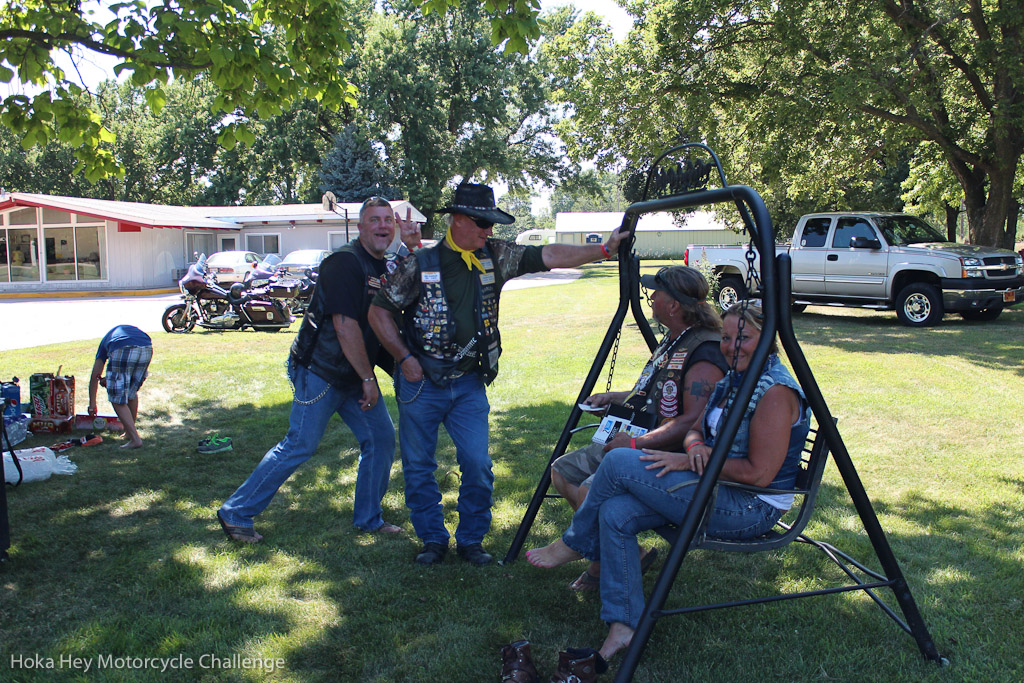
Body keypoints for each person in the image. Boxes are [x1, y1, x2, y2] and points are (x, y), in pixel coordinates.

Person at [526, 302, 811, 660]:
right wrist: (693, 449)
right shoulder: (733, 378)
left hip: (750, 504)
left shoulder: (774, 392)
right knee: (614, 512)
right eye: (725, 337)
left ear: (768, 340)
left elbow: (759, 474)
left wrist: (699, 462)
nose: (730, 346)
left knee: (616, 462)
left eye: (744, 338)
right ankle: (624, 625)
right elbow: (694, 430)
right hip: (713, 486)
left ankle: (576, 541)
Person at [368, 182, 626, 566]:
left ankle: (471, 539)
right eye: (481, 223)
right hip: (420, 384)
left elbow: (548, 254)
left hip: (469, 382)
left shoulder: (496, 255)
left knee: (477, 464)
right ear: (457, 220)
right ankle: (433, 540)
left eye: (491, 224)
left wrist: (602, 249)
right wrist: (404, 357)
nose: (488, 231)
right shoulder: (420, 263)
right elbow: (378, 311)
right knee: (420, 466)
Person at [218, 197, 421, 543]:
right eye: (374, 220)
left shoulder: (379, 264)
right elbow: (345, 327)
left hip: (354, 373)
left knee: (381, 438)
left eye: (388, 220)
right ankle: (236, 512)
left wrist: (411, 247)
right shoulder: (343, 263)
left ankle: (369, 518)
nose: (382, 226)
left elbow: (397, 291)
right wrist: (368, 379)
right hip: (321, 371)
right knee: (300, 444)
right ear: (360, 227)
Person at [550, 265, 728, 591]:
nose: (651, 297)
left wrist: (637, 444)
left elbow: (692, 420)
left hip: (668, 453)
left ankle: (601, 562)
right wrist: (616, 398)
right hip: (639, 440)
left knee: (590, 489)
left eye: (656, 292)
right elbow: (653, 393)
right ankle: (626, 553)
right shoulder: (674, 339)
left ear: (673, 305)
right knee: (562, 471)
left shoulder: (705, 350)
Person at [88, 325, 153, 449]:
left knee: (116, 398)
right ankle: (129, 432)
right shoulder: (114, 336)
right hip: (147, 347)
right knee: (131, 393)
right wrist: (109, 380)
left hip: (123, 347)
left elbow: (94, 376)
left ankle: (135, 439)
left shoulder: (103, 347)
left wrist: (92, 404)